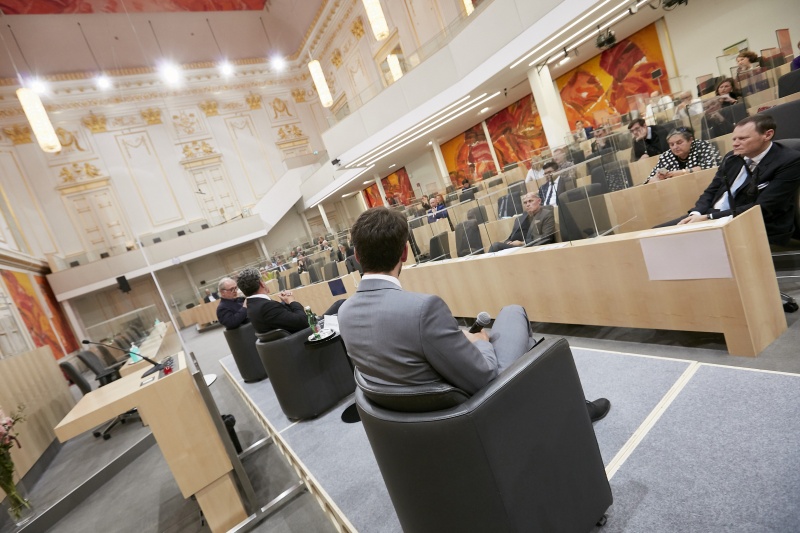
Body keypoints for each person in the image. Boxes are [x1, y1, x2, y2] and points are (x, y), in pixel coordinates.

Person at [338, 207, 610, 420]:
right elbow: (483, 375)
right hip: (472, 405)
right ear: (405, 252)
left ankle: (551, 409)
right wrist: (481, 344)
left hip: (420, 412)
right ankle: (571, 410)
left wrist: (460, 343)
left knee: (501, 340)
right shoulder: (423, 309)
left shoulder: (345, 313)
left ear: (357, 257)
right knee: (512, 313)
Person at [655, 115, 800, 245]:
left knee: (682, 246)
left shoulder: (789, 160)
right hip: (714, 217)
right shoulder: (732, 157)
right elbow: (711, 190)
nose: (735, 144)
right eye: (734, 139)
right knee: (654, 235)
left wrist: (710, 217)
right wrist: (697, 214)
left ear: (767, 135)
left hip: (754, 224)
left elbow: (763, 207)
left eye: (743, 138)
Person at [237, 267, 343, 334]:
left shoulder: (251, 306)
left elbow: (281, 317)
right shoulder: (266, 307)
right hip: (308, 333)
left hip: (293, 338)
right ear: (261, 283)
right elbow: (304, 321)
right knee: (340, 304)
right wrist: (292, 301)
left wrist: (285, 303)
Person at [644, 128, 721, 184]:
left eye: (679, 142)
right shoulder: (666, 155)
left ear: (690, 140)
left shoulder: (703, 146)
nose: (675, 147)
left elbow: (712, 167)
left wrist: (681, 172)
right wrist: (658, 178)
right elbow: (648, 181)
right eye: (671, 144)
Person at [487, 193, 555, 252]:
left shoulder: (546, 214)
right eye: (525, 203)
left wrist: (522, 243)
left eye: (530, 201)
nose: (528, 204)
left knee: (496, 246)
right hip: (517, 247)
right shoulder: (521, 218)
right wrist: (508, 242)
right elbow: (511, 237)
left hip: (532, 247)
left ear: (539, 201)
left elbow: (546, 237)